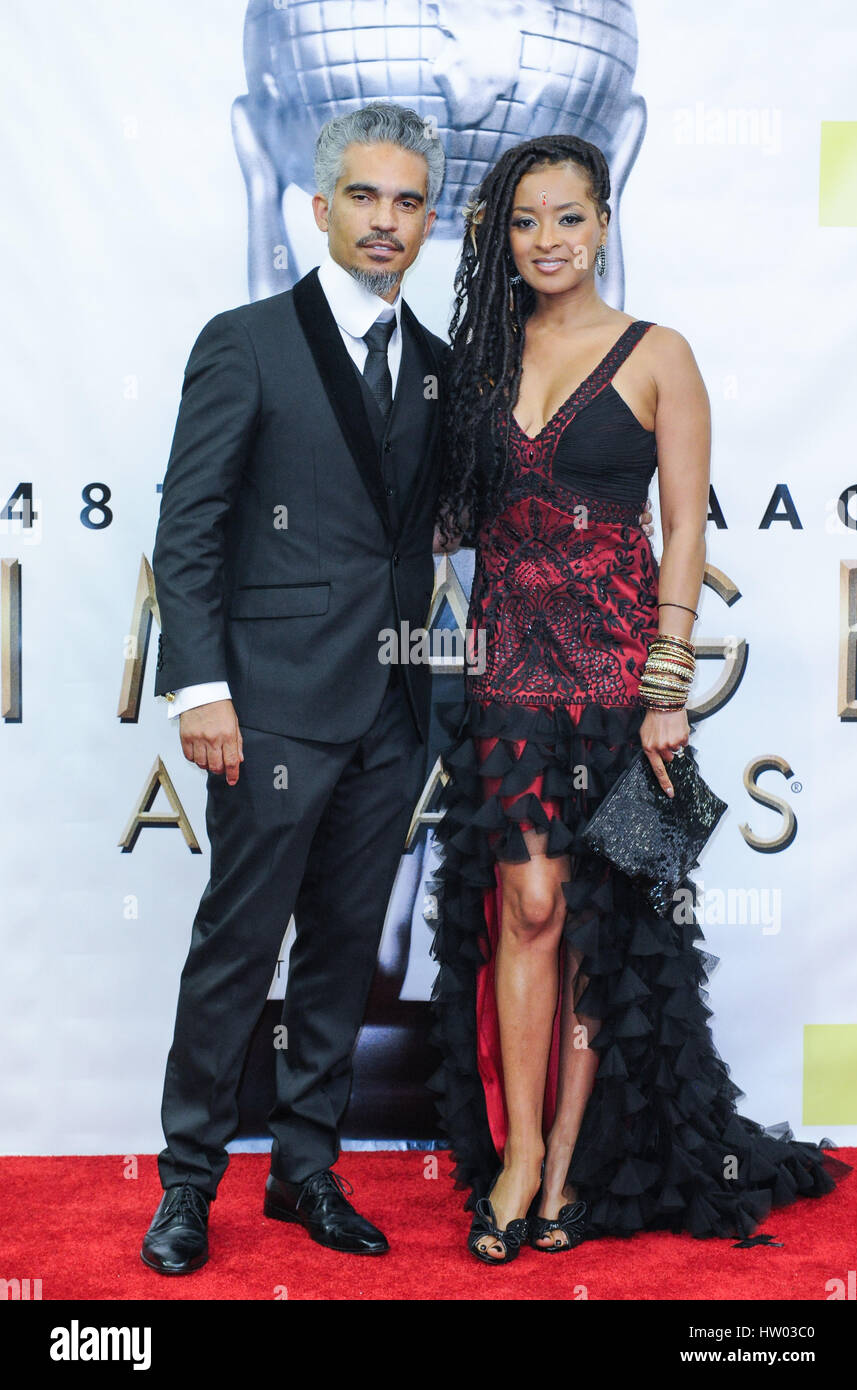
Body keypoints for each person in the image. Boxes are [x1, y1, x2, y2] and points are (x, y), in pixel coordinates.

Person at [430, 134, 851, 1264]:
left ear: (605, 223)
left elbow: (684, 533)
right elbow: (448, 520)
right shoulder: (477, 357)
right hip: (506, 679)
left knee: (598, 935)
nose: (547, 242)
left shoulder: (660, 354)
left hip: (620, 686)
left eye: (568, 218)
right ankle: (516, 1155)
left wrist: (669, 689)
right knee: (526, 911)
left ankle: (565, 1167)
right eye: (525, 222)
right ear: (500, 237)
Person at [141, 102, 452, 1272]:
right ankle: (185, 1182)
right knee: (239, 942)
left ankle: (307, 1170)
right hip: (265, 699)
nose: (384, 220)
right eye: (363, 197)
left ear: (430, 220)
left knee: (338, 944)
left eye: (407, 201)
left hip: (390, 706)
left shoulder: (433, 368)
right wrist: (200, 688)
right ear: (318, 209)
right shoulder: (247, 339)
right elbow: (192, 527)